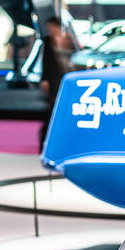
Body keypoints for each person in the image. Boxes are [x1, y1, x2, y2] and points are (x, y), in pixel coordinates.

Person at [38, 17, 73, 150]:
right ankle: (44, 142)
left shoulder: (68, 40)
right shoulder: (48, 41)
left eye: (52, 26)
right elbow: (45, 62)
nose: (50, 29)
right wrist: (44, 79)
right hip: (53, 81)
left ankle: (61, 141)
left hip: (65, 79)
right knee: (51, 112)